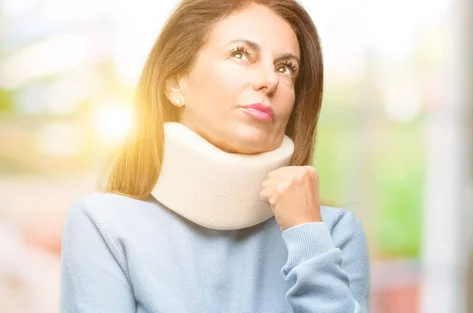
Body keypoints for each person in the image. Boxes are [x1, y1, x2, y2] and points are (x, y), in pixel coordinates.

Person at [59, 0, 371, 312]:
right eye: (241, 54)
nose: (270, 80)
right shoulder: (104, 225)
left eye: (285, 67)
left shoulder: (332, 233)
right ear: (175, 82)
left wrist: (306, 237)